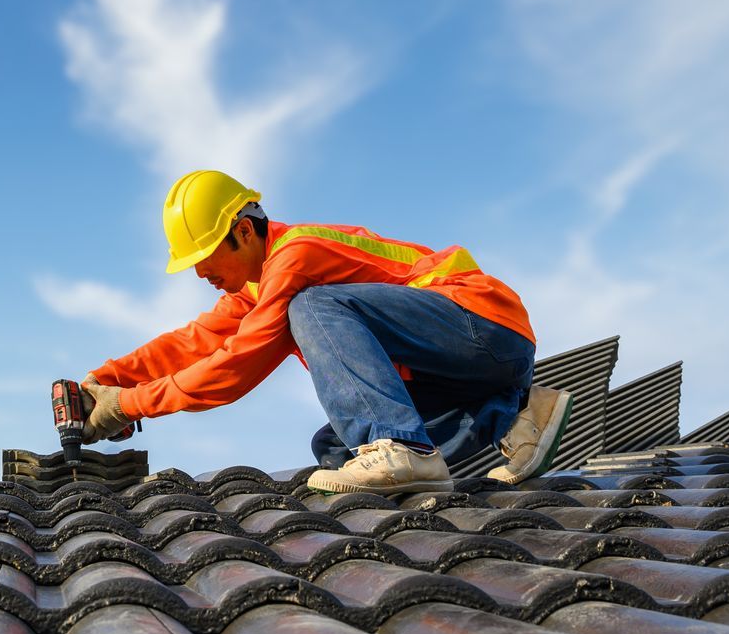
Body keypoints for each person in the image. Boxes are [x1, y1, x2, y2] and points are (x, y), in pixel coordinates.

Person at [76, 170, 571, 494]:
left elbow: (236, 365)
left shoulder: (297, 257)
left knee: (312, 307)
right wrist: (105, 380)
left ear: (244, 232)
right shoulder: (260, 284)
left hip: (482, 321)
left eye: (203, 259)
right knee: (334, 448)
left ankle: (404, 447)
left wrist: (131, 405)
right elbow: (194, 342)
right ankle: (513, 417)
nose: (199, 274)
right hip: (461, 365)